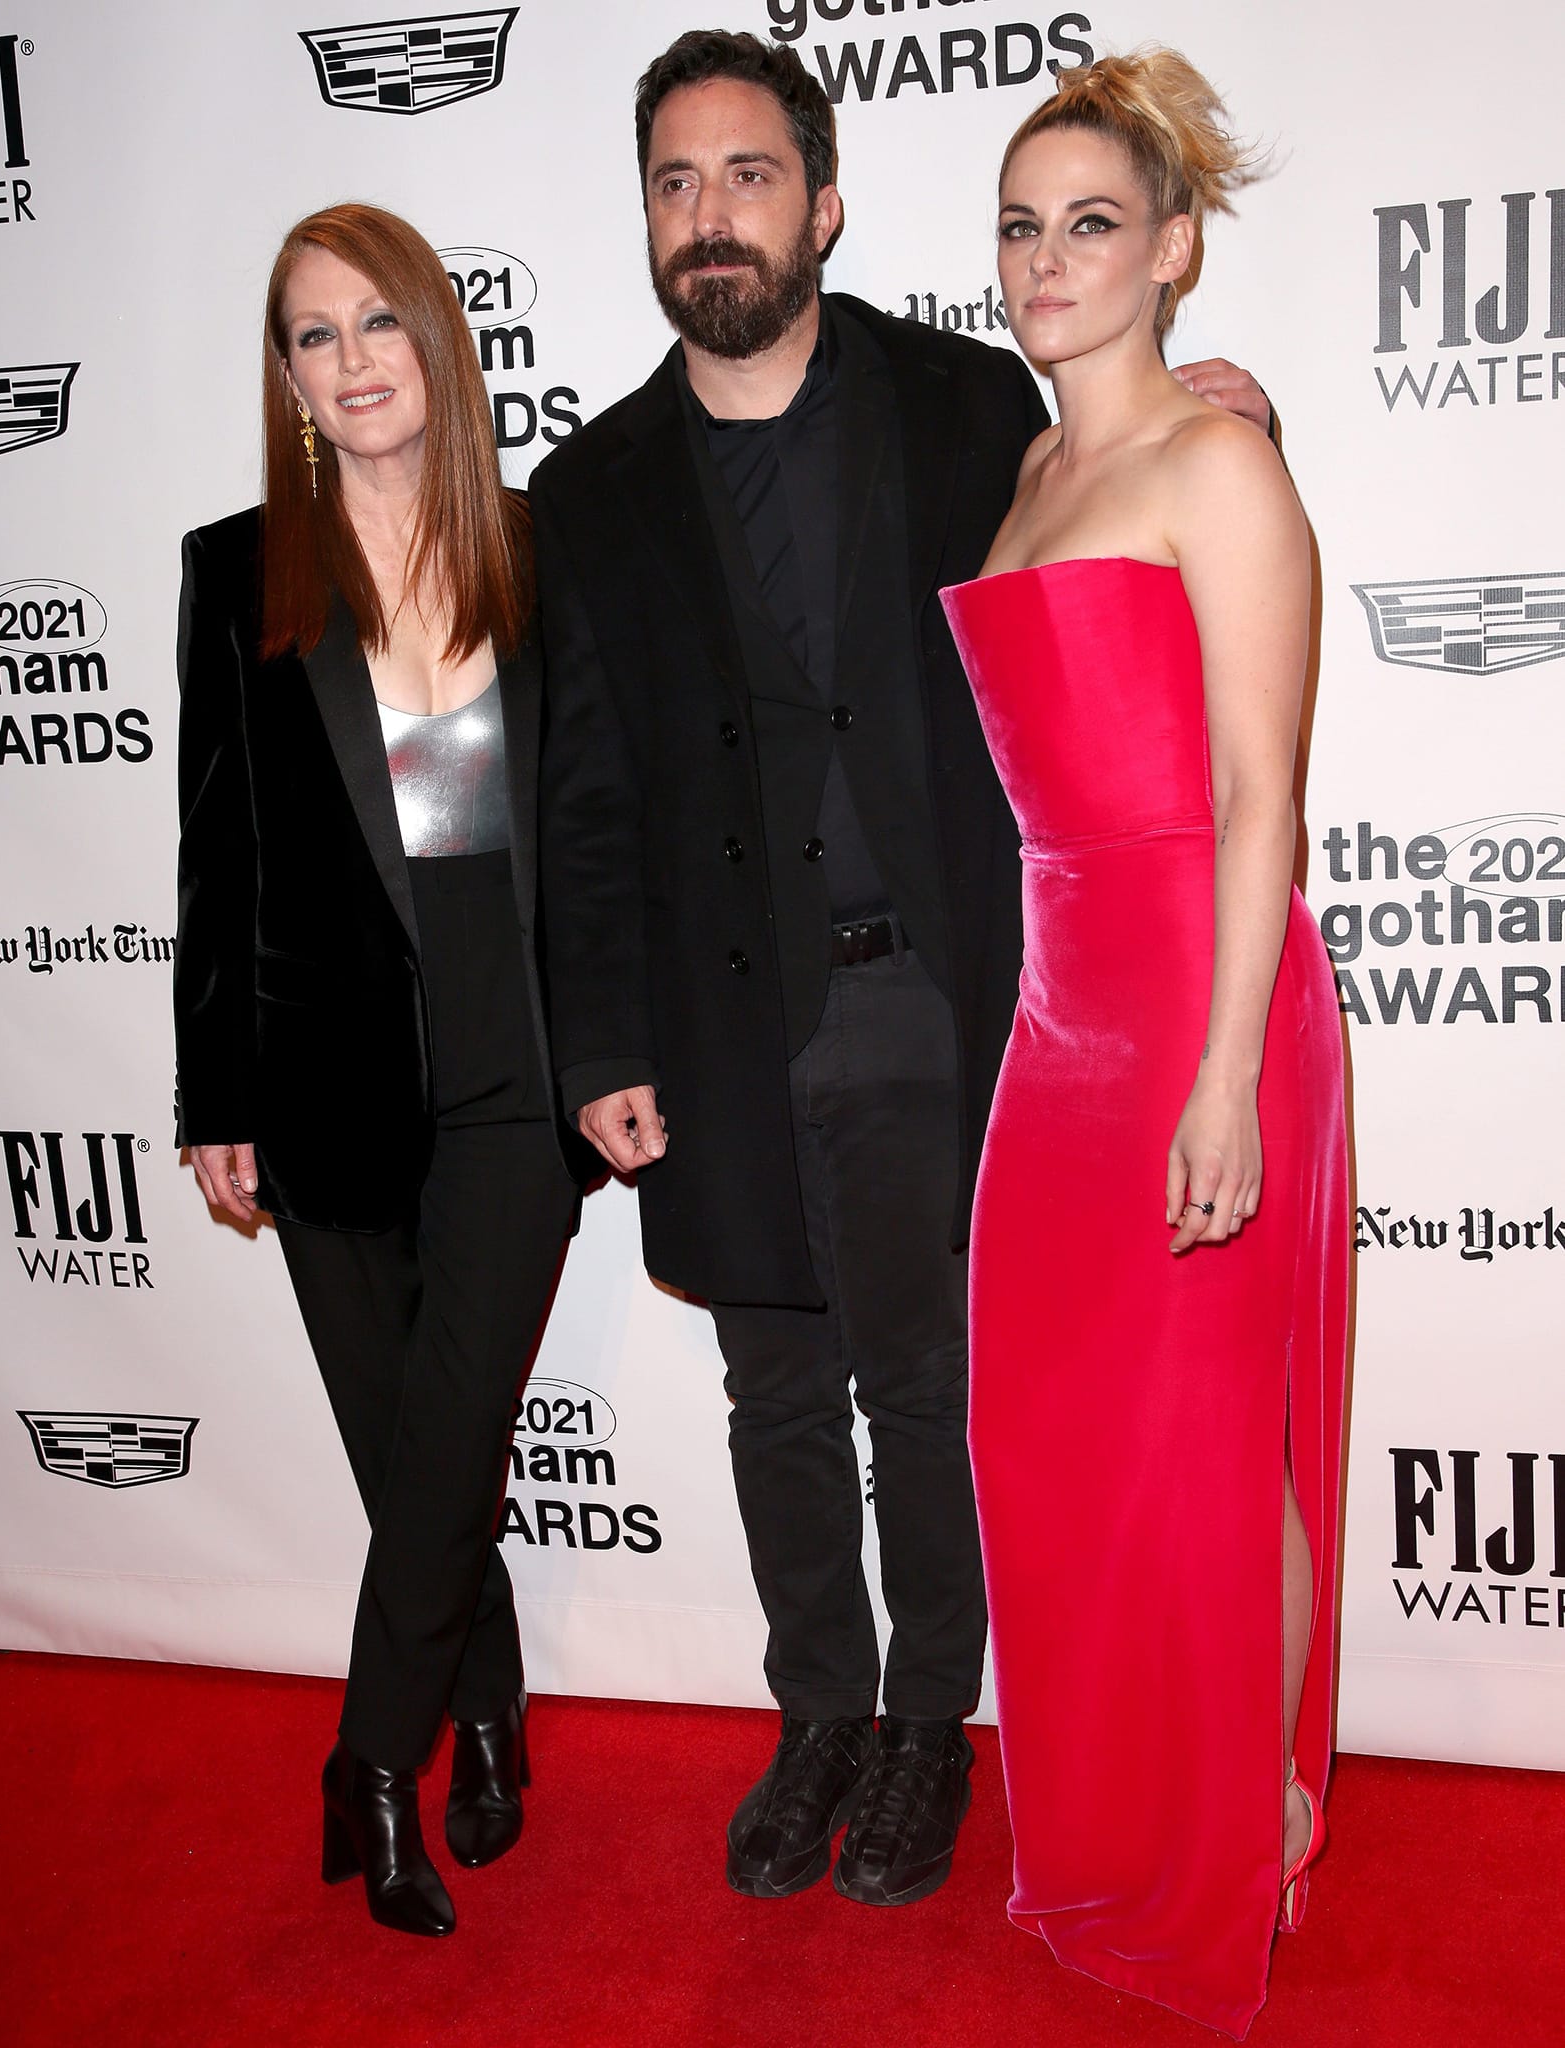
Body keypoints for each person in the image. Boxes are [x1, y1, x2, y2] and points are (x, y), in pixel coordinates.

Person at [531, 30, 1271, 1908]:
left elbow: (1146, 546)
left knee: (927, 1390)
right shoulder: (591, 488)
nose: (714, 216)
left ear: (824, 201)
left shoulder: (971, 407)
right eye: (677, 184)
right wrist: (601, 1035)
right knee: (773, 1391)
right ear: (646, 219)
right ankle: (819, 1717)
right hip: (721, 1016)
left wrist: (1240, 416)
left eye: (750, 176)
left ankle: (931, 1723)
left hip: (942, 1001)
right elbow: (590, 792)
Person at [940, 51, 1346, 2034]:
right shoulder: (1025, 477)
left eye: (1091, 220)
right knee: (1054, 1437)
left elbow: (1264, 795)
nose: (1045, 259)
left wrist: (1218, 1070)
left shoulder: (1216, 464)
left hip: (1209, 993)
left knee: (1207, 1441)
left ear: (1174, 249)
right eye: (1019, 225)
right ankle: (1106, 1808)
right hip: (1058, 1014)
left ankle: (1250, 1800)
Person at [174, 203, 585, 1938]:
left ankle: (370, 1762)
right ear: (285, 377)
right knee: (415, 1452)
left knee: (449, 1429)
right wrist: (215, 1099)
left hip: (514, 1073)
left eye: (373, 325)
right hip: (324, 1083)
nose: (346, 364)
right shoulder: (240, 566)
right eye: (309, 337)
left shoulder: (535, 551)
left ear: (435, 338)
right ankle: (484, 1712)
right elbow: (216, 853)